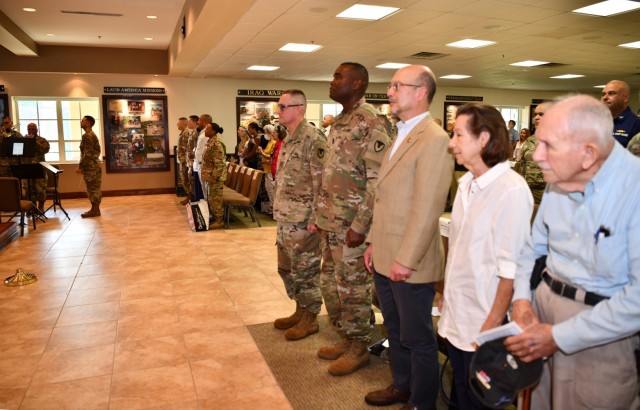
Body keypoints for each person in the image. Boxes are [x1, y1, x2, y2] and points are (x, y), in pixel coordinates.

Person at [504, 95, 640, 410]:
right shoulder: (560, 174)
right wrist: (522, 299)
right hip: (541, 311)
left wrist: (559, 336)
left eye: (548, 146)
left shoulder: (633, 190)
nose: (537, 156)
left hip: (600, 333)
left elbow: (636, 299)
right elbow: (532, 248)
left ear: (588, 154)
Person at [364, 65, 453, 410]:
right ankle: (401, 385)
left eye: (397, 85)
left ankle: (422, 401)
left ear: (421, 92)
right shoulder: (400, 132)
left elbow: (428, 207)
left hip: (409, 262)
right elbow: (385, 197)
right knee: (396, 329)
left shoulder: (435, 139)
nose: (389, 91)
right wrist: (373, 242)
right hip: (387, 252)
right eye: (391, 84)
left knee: (418, 338)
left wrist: (406, 258)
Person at [437, 103, 533, 409]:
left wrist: (490, 328)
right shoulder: (466, 184)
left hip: (482, 325)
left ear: (484, 139)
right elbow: (462, 249)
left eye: (458, 135)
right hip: (457, 315)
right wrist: (446, 295)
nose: (451, 143)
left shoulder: (511, 191)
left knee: (477, 402)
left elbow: (511, 270)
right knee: (459, 396)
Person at [315, 62, 392, 376]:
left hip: (353, 226)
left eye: (338, 76)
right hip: (333, 221)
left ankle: (359, 348)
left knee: (353, 287)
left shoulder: (371, 122)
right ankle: (349, 337)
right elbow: (330, 174)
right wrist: (321, 216)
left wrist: (361, 226)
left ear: (358, 83)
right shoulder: (341, 121)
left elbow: (378, 180)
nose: (332, 82)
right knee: (333, 284)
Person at [272, 89, 327, 341]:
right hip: (285, 217)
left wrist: (316, 217)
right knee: (288, 268)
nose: (278, 111)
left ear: (299, 109)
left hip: (304, 220)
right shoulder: (289, 138)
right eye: (279, 106)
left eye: (283, 107)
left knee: (306, 270)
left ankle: (310, 318)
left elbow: (322, 183)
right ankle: (299, 309)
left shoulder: (313, 138)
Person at [520, 102, 550, 205]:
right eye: (535, 114)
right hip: (528, 190)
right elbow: (523, 164)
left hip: (548, 192)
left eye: (541, 114)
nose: (536, 118)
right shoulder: (530, 140)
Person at [200, 123, 226, 229]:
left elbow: (219, 164)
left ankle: (220, 220)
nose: (205, 131)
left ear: (213, 132)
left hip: (216, 177)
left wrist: (214, 177)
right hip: (210, 176)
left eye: (207, 129)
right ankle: (215, 218)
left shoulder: (216, 144)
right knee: (211, 198)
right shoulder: (210, 141)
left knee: (215, 199)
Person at [75, 115, 102, 218]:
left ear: (88, 123)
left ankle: (95, 210)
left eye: (83, 120)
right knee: (94, 188)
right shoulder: (91, 135)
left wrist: (81, 167)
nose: (81, 122)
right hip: (93, 166)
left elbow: (88, 154)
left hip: (91, 167)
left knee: (93, 189)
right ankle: (95, 209)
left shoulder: (87, 136)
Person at [601, 80, 640, 147]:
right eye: (603, 94)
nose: (605, 97)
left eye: (611, 93)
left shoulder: (636, 124)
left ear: (625, 98)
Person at [22, 123, 51, 211]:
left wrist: (34, 141)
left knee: (40, 189)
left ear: (37, 130)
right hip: (28, 168)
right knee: (29, 190)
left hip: (39, 168)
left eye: (33, 129)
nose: (31, 131)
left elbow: (45, 150)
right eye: (29, 129)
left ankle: (41, 207)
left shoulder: (42, 140)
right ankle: (32, 208)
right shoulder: (24, 140)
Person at [192, 114, 211, 201]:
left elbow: (205, 151)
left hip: (202, 165)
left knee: (203, 192)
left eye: (200, 120)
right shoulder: (201, 133)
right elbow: (199, 148)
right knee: (199, 190)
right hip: (197, 164)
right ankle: (199, 209)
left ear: (206, 122)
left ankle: (203, 211)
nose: (198, 122)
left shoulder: (206, 135)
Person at [176, 117, 192, 205]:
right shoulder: (182, 133)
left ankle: (190, 198)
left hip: (185, 161)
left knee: (186, 180)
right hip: (182, 160)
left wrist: (185, 161)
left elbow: (187, 148)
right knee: (184, 180)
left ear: (183, 124)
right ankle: (189, 197)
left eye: (178, 123)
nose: (177, 124)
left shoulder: (186, 133)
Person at [185, 115, 199, 200]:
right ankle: (191, 197)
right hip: (190, 160)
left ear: (194, 122)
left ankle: (194, 198)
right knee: (190, 179)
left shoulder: (197, 132)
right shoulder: (192, 132)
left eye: (189, 121)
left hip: (194, 160)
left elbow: (196, 146)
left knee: (193, 180)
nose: (188, 123)